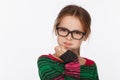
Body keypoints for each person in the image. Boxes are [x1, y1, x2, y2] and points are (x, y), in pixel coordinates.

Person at [37, 4, 99, 80]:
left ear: (85, 36)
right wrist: (71, 60)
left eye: (76, 32)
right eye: (63, 30)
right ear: (56, 31)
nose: (68, 38)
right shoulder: (46, 62)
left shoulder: (91, 66)